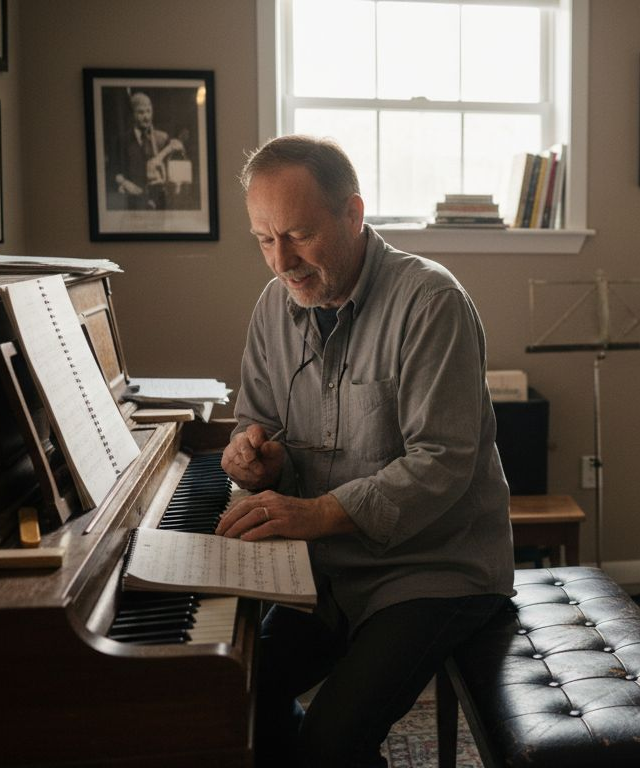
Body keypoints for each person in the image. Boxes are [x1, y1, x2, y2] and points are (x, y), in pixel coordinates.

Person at [214, 135, 514, 766]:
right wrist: (257, 455)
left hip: (435, 570)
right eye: (264, 240)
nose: (281, 261)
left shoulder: (432, 302)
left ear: (353, 214)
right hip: (329, 572)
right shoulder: (274, 306)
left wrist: (316, 514)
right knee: (231, 695)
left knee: (330, 743)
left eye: (297, 234)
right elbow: (259, 420)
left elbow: (443, 463)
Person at [109, 91, 183, 210]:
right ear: (133, 114)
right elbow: (114, 172)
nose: (146, 117)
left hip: (159, 203)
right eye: (141, 112)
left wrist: (166, 152)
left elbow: (177, 149)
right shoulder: (122, 141)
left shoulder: (161, 137)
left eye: (149, 111)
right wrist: (125, 183)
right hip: (134, 203)